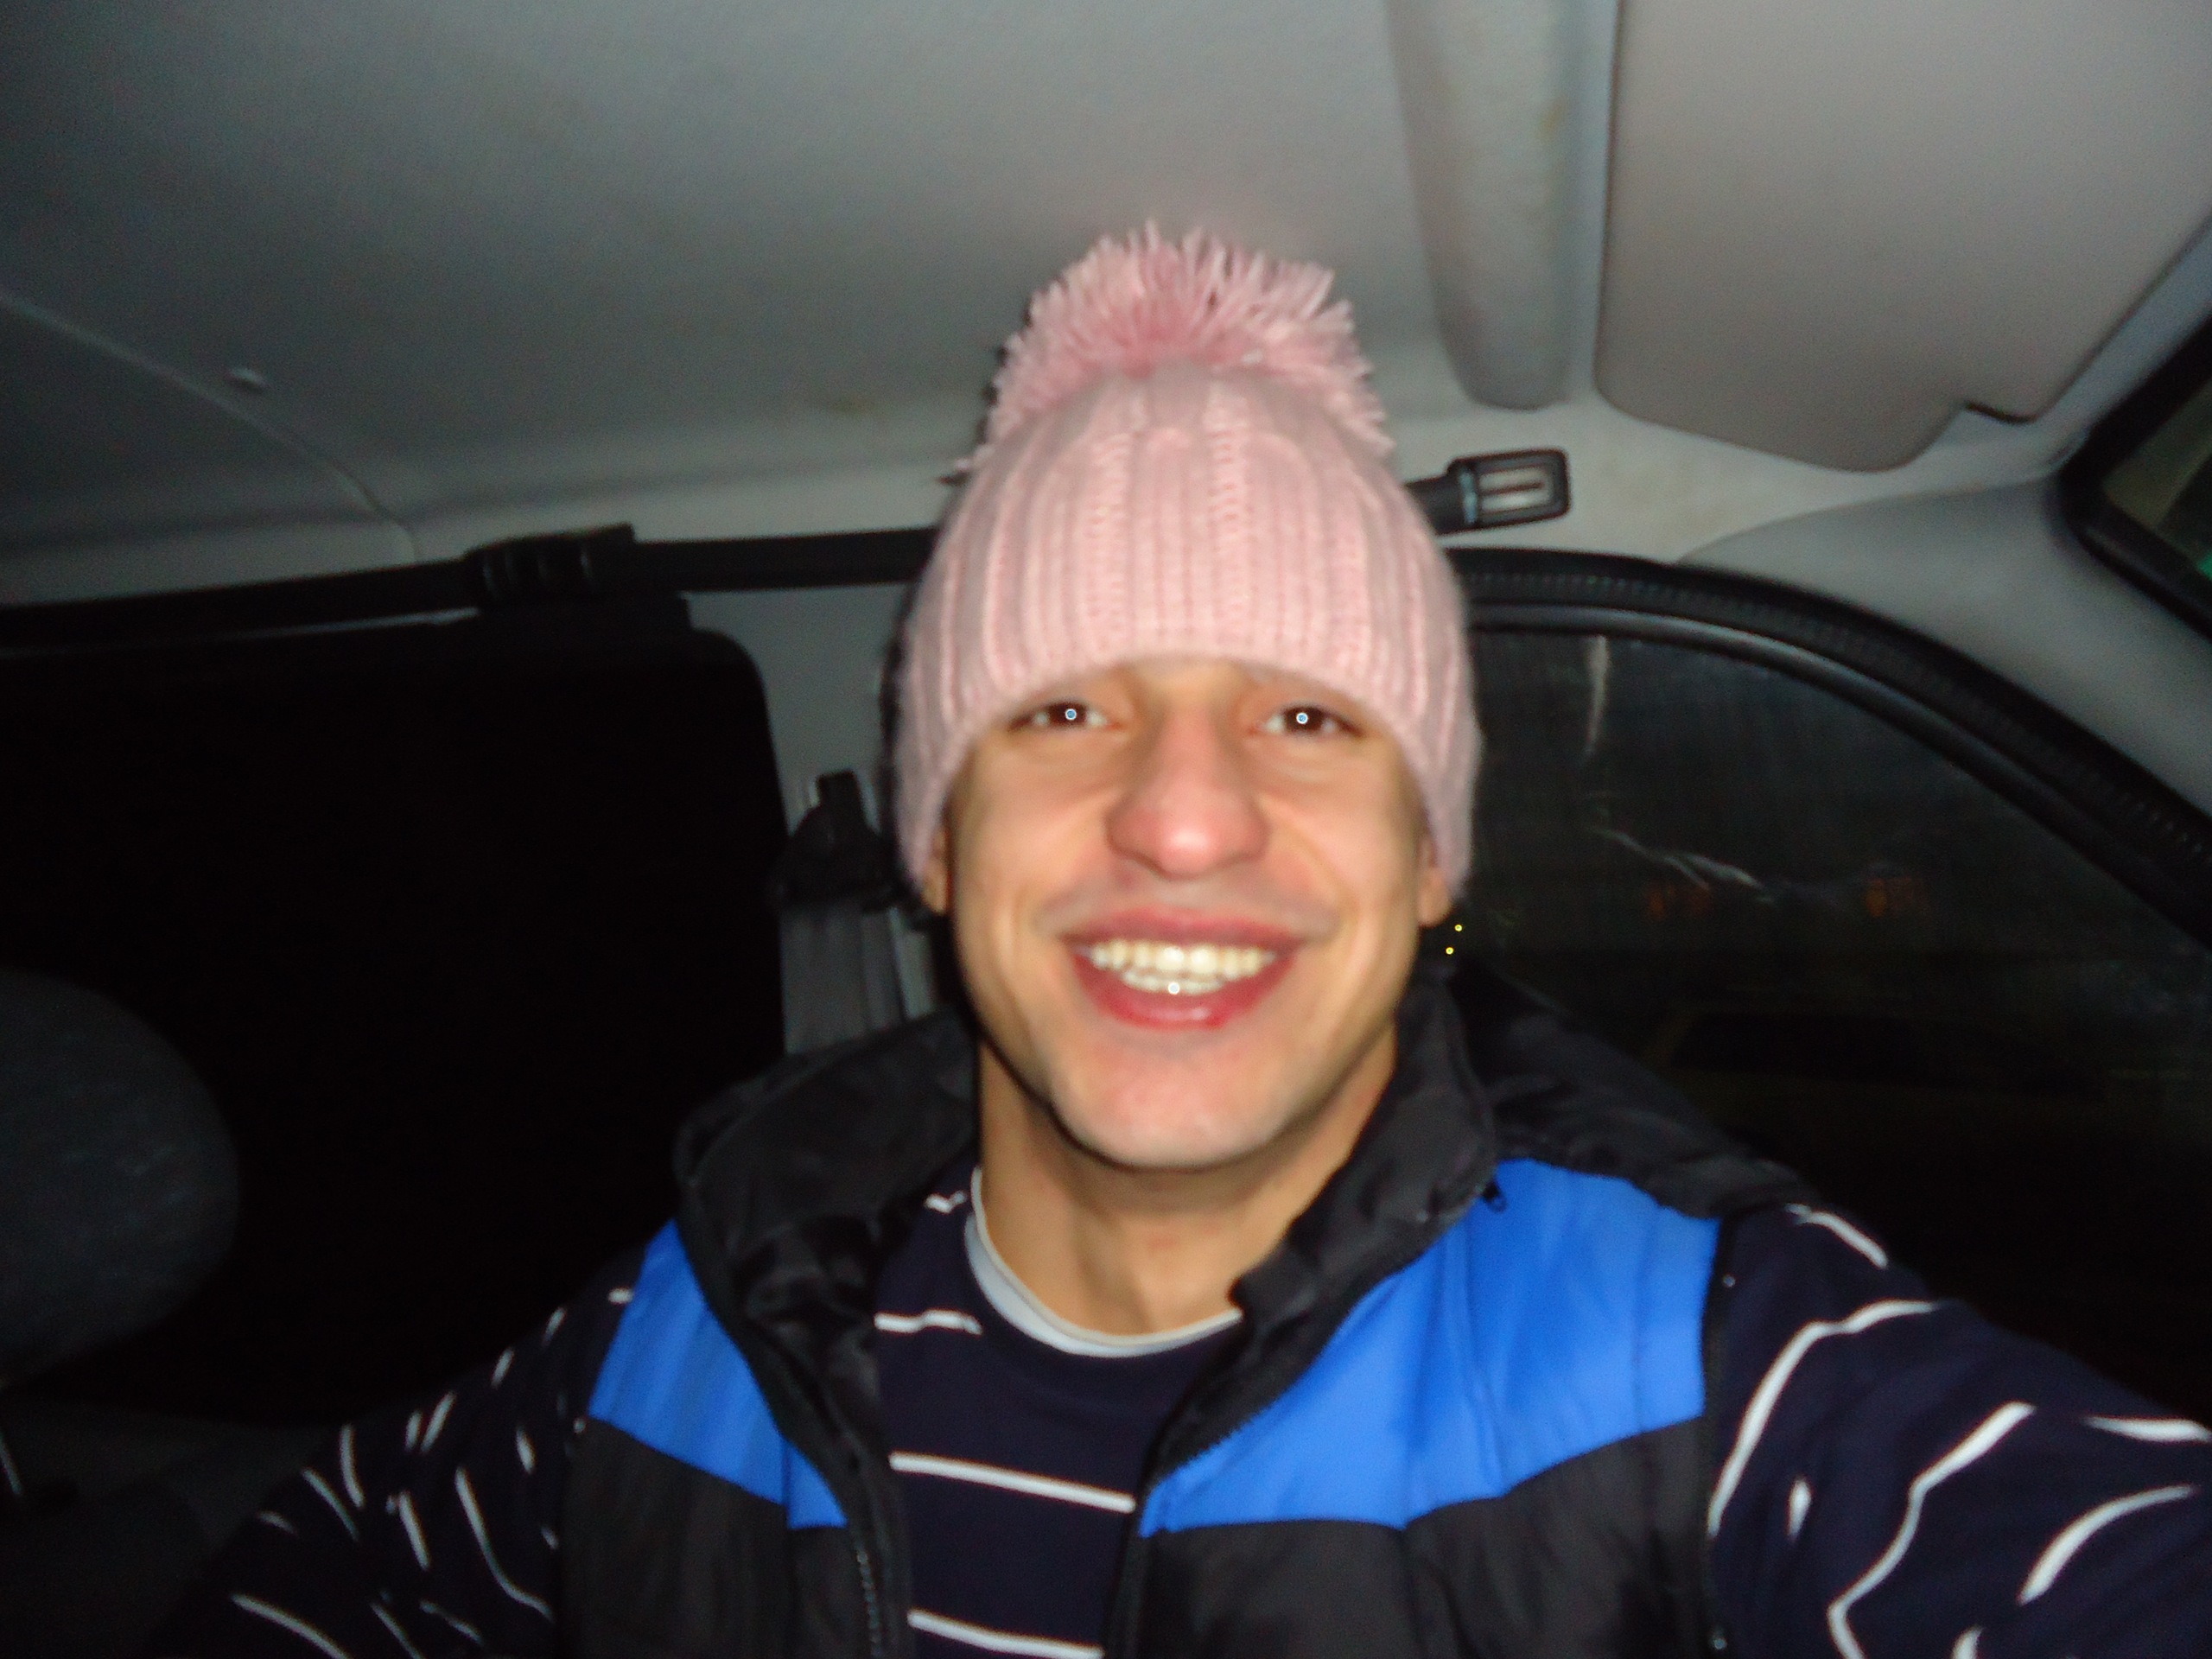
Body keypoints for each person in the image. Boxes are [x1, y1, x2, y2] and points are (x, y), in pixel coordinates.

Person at [149, 228, 2209, 1659]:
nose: (1185, 816)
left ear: (1429, 858)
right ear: (935, 839)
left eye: (1307, 719)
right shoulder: (690, 1322)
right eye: (1063, 710)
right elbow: (331, 1576)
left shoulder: (1701, 1363)